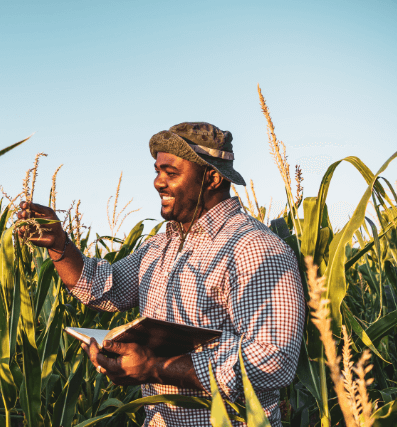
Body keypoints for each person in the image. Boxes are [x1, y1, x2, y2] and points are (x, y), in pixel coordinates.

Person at [16, 122, 305, 426]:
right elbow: (104, 288)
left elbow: (275, 359)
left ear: (212, 177)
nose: (157, 182)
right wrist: (60, 246)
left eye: (171, 173)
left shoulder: (256, 249)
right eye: (157, 171)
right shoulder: (159, 245)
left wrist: (156, 367)